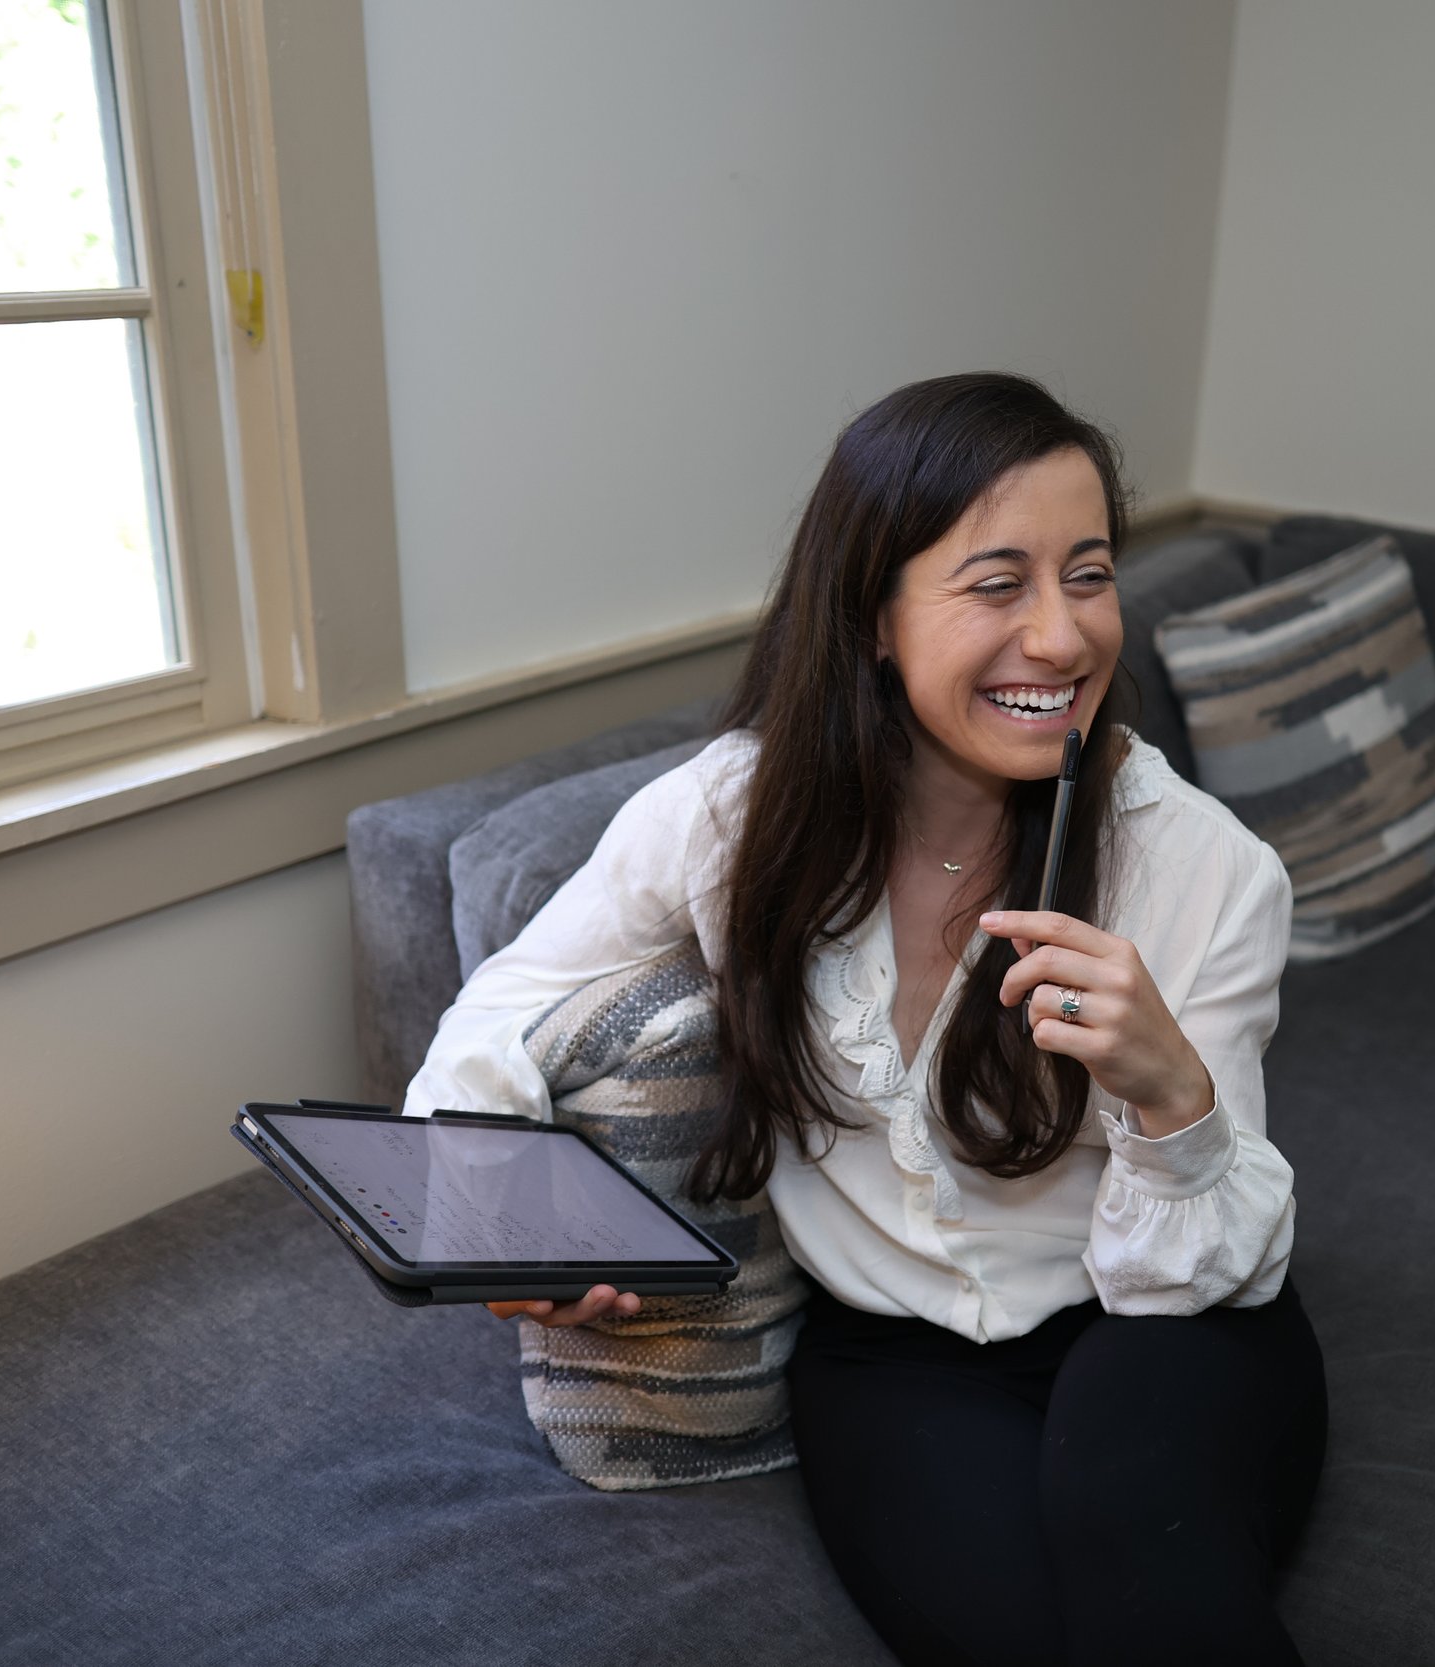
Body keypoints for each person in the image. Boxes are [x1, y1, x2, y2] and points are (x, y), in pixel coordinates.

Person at [403, 372, 1328, 1667]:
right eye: (998, 583)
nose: (1064, 639)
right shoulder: (733, 815)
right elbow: (510, 997)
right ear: (874, 616)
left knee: (1161, 1600)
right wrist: (501, 1213)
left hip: (1165, 1322)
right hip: (895, 1361)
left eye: (1091, 575)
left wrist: (1173, 1097)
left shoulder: (1205, 870)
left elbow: (1193, 1264)